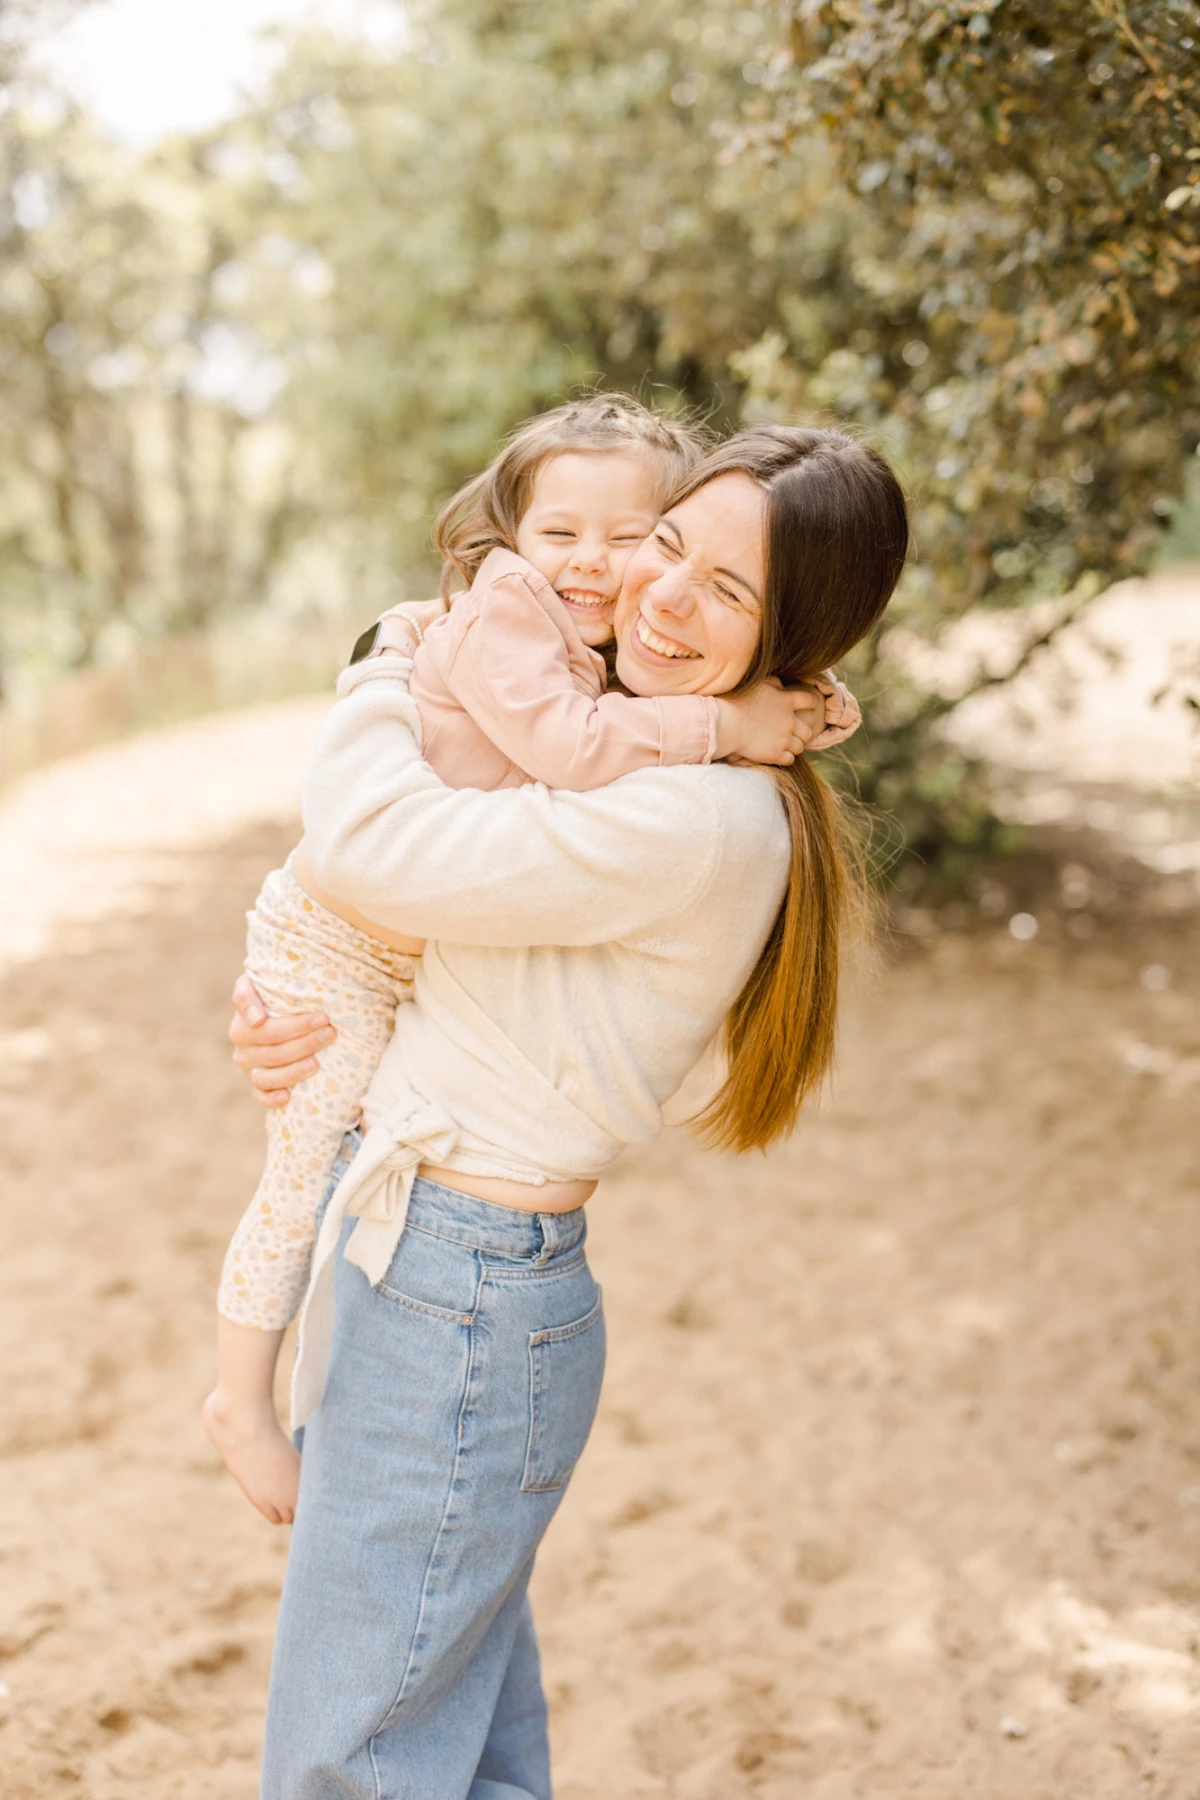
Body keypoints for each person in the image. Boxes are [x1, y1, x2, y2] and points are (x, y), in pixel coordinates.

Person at [228, 424, 909, 1800]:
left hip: (458, 1302)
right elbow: (408, 917)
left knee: (348, 1762)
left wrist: (390, 651)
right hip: (442, 1270)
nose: (662, 593)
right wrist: (295, 1021)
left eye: (730, 592)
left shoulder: (693, 816)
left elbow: (370, 839)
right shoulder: (661, 765)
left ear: (797, 639)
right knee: (463, 1740)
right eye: (670, 544)